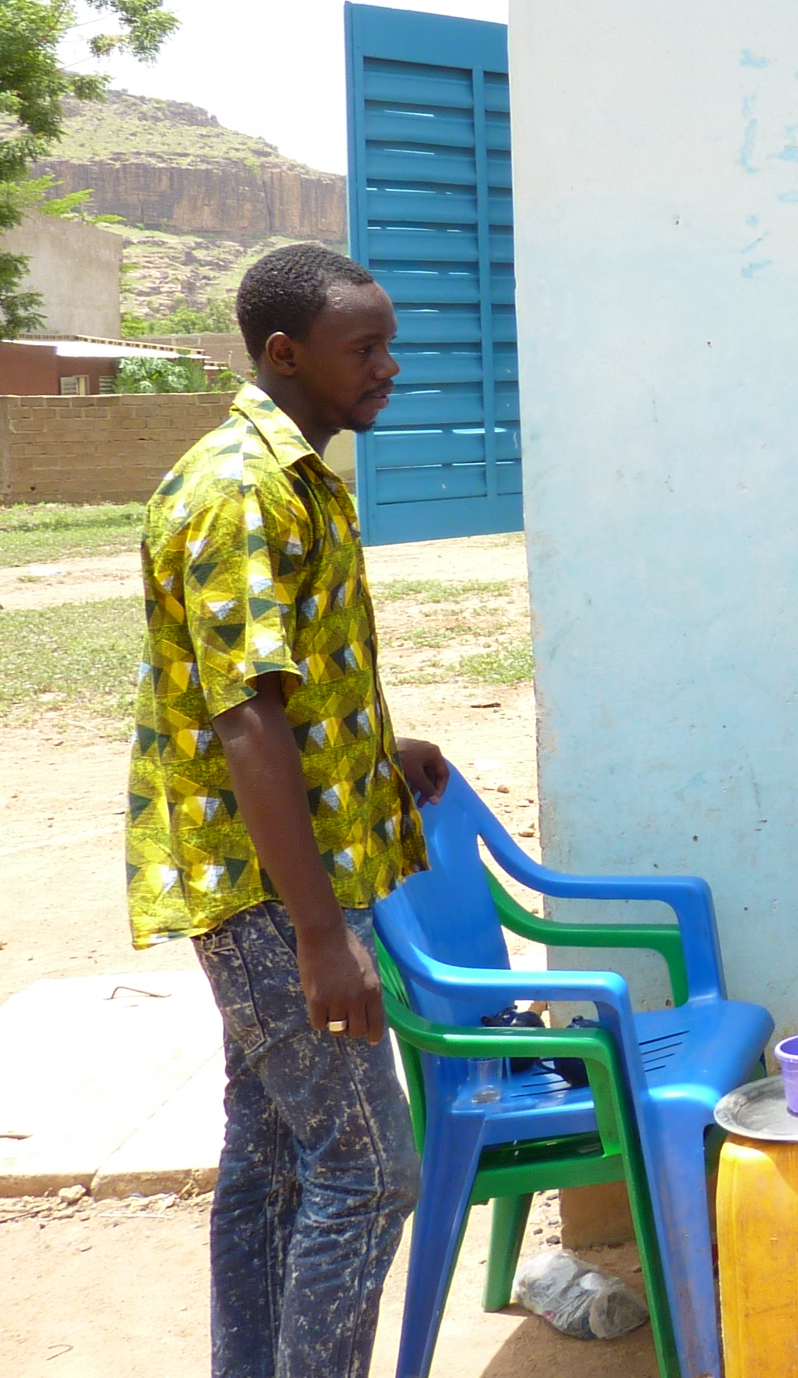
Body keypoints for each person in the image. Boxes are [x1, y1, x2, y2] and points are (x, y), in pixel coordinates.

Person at [125, 242, 446, 1378]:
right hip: (266, 893)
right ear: (284, 353)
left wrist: (375, 750)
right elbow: (244, 718)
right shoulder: (242, 490)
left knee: (271, 1165)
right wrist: (320, 936)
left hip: (282, 874)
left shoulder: (296, 477)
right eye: (365, 348)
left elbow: (278, 687)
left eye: (389, 344)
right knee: (370, 1170)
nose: (388, 366)